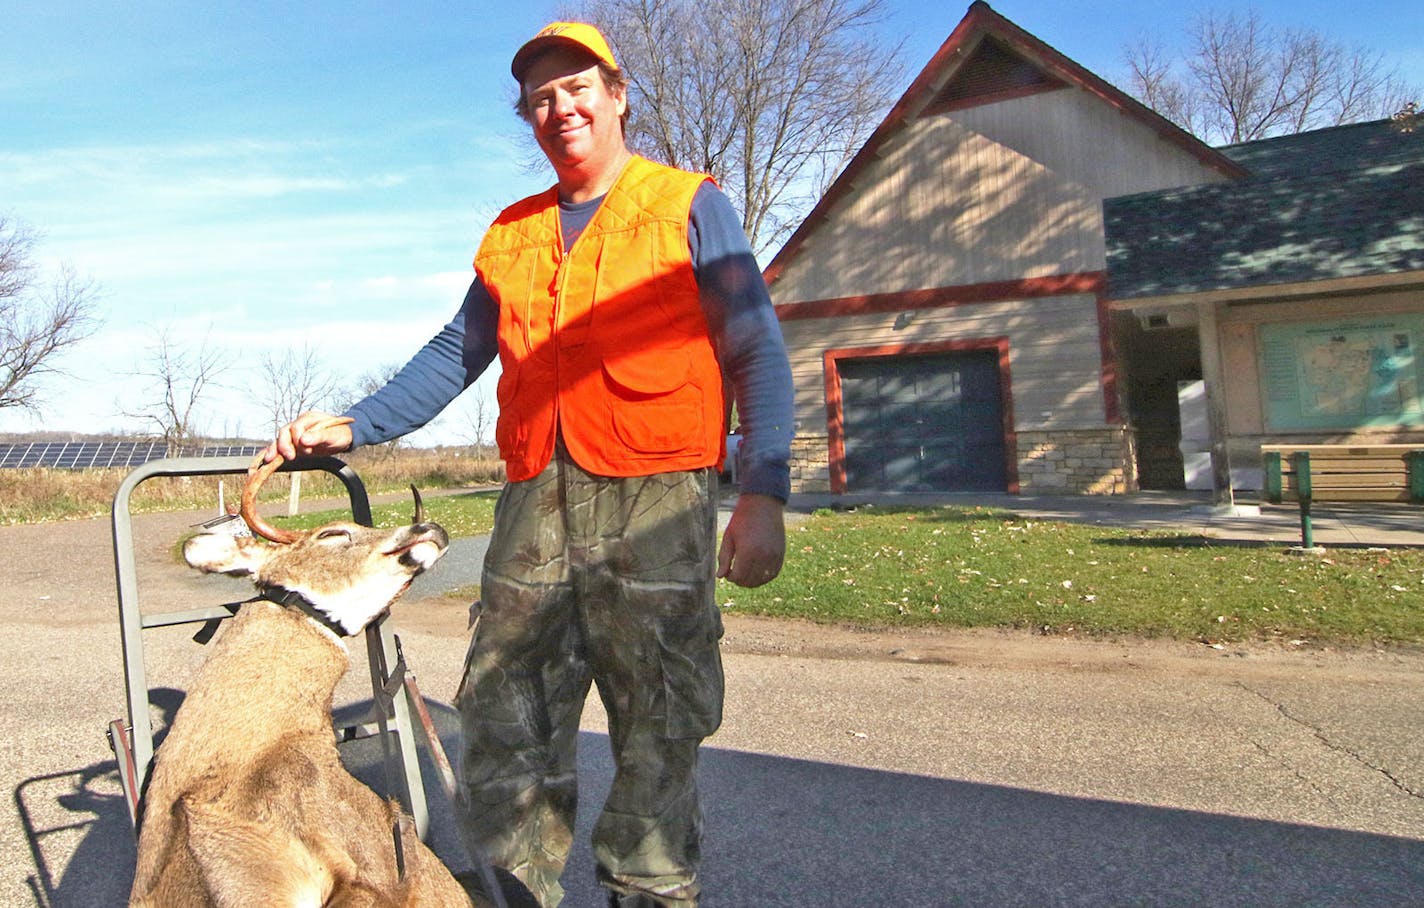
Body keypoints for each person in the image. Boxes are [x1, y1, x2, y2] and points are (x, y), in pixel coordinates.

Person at [264, 21, 794, 908]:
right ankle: (516, 891)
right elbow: (454, 355)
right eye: (541, 98)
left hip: (657, 501)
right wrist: (355, 426)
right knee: (505, 714)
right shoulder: (511, 233)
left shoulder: (688, 204)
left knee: (660, 719)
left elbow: (756, 350)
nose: (560, 108)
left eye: (577, 87)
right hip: (534, 505)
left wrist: (764, 493)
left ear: (617, 95)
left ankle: (648, 892)